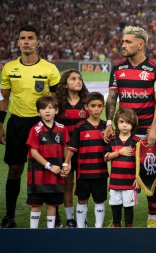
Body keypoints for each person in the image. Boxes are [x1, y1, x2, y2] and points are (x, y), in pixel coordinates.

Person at [0, 25, 61, 228]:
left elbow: (55, 99)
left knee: (48, 169)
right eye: (22, 38)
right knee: (15, 169)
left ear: (38, 42)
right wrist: (0, 123)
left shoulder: (49, 69)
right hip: (16, 123)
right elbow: (4, 99)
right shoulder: (8, 68)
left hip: (42, 125)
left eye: (30, 38)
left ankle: (55, 214)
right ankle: (10, 216)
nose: (26, 41)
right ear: (17, 42)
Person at [105, 26, 156, 228]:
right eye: (123, 41)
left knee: (150, 174)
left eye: (128, 42)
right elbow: (112, 97)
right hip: (123, 132)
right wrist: (108, 123)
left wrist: (155, 127)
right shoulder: (118, 68)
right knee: (121, 174)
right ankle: (117, 218)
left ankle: (152, 218)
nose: (123, 45)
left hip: (147, 131)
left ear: (141, 44)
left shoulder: (155, 69)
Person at [64, 92, 108, 228]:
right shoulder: (80, 126)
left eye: (99, 106)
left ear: (103, 107)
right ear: (86, 107)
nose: (96, 109)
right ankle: (81, 227)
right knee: (82, 199)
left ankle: (98, 227)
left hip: (101, 172)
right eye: (93, 106)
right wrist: (66, 163)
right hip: (84, 173)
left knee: (99, 200)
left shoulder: (106, 127)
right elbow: (72, 147)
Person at [26, 96, 69, 228]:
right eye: (43, 108)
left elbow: (66, 148)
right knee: (36, 204)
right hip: (38, 174)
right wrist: (49, 166)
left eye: (50, 107)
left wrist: (66, 165)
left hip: (55, 174)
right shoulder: (35, 129)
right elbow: (33, 152)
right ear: (38, 112)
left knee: (52, 204)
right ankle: (33, 232)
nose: (47, 111)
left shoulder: (62, 128)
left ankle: (50, 232)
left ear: (56, 110)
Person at [56, 69, 89, 228]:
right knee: (67, 184)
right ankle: (70, 219)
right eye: (73, 79)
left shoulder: (86, 102)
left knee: (82, 185)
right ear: (65, 83)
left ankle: (82, 217)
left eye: (80, 79)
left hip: (84, 152)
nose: (78, 81)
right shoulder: (59, 104)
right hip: (65, 152)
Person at [105, 108, 140, 227]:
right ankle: (117, 228)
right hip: (115, 182)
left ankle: (128, 230)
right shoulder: (112, 139)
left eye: (128, 123)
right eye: (121, 122)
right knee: (115, 207)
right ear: (117, 123)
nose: (125, 125)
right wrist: (119, 152)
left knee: (128, 208)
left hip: (130, 182)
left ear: (133, 124)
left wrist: (138, 178)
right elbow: (105, 157)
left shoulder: (136, 141)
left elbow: (139, 162)